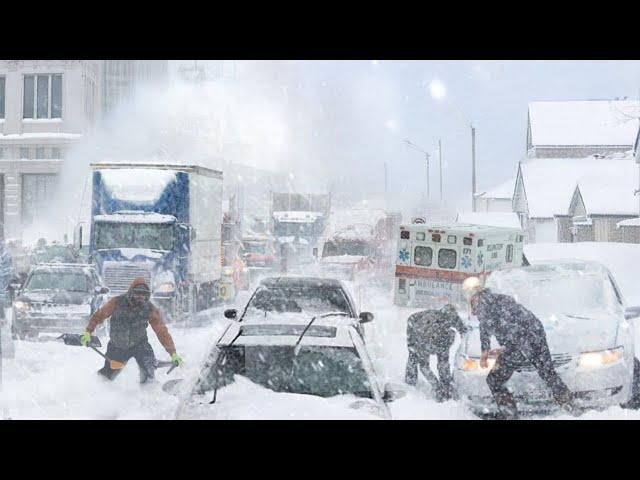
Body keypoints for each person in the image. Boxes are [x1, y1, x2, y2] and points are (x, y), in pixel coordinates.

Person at [462, 276, 576, 419]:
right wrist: (494, 349)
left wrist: (497, 350)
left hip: (522, 342)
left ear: (474, 297)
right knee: (549, 374)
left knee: (494, 380)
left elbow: (494, 327)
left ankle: (511, 416)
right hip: (536, 335)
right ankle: (572, 409)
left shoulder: (484, 304)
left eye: (472, 303)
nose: (473, 311)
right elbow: (499, 325)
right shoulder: (500, 299)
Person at [79, 277, 183, 384]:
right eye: (137, 294)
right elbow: (98, 316)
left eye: (143, 295)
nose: (140, 297)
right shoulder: (116, 302)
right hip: (117, 347)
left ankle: (149, 393)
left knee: (148, 371)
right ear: (131, 292)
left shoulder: (150, 309)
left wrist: (173, 353)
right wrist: (88, 332)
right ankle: (93, 388)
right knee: (106, 375)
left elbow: (162, 332)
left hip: (140, 346)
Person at [405, 303, 468, 401]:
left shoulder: (450, 322)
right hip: (415, 325)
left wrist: (447, 386)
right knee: (413, 356)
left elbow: (444, 365)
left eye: (446, 347)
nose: (444, 350)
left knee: (443, 364)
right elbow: (424, 368)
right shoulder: (424, 339)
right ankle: (410, 382)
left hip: (436, 333)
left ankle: (445, 386)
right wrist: (437, 386)